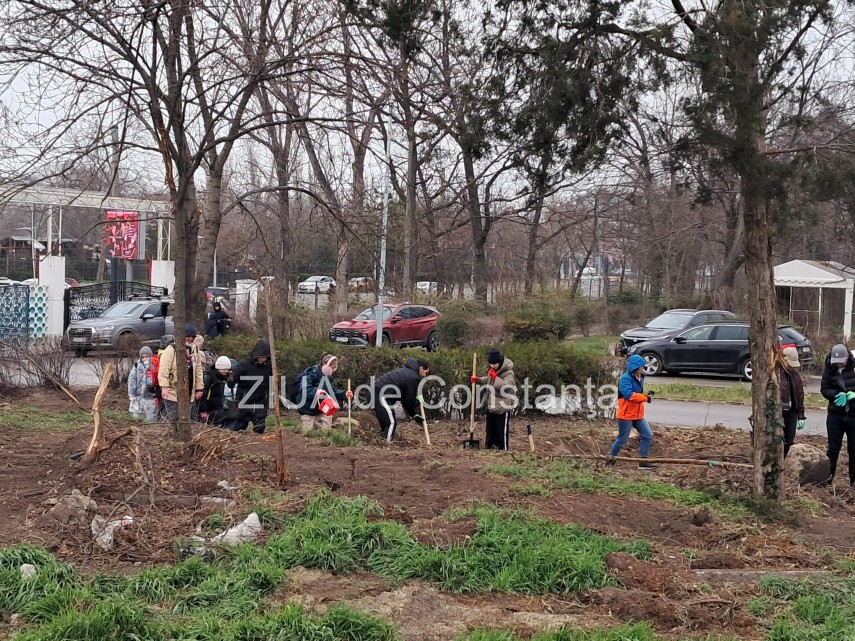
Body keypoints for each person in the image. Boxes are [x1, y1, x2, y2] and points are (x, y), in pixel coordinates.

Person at [607, 354, 656, 469]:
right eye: (642, 367)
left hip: (638, 414)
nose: (643, 369)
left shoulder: (641, 377)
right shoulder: (625, 379)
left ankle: (642, 462)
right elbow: (629, 395)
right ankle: (610, 458)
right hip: (626, 415)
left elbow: (637, 394)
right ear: (635, 368)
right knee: (622, 440)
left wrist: (646, 396)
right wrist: (646, 398)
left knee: (647, 435)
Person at [819, 343, 855, 488]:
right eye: (837, 362)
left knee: (853, 449)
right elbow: (824, 388)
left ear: (847, 357)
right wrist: (836, 395)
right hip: (835, 415)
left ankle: (853, 481)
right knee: (833, 449)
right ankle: (828, 479)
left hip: (853, 415)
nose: (839, 365)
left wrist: (853, 395)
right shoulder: (829, 368)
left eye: (841, 362)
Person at [373, 358, 430, 442]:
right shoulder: (413, 378)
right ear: (421, 368)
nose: (425, 375)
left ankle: (383, 442)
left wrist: (414, 414)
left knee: (386, 423)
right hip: (380, 395)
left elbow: (405, 400)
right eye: (426, 372)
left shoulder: (408, 373)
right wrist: (418, 401)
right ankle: (385, 446)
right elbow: (410, 400)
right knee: (391, 423)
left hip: (377, 393)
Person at [470, 347, 517, 450]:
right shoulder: (492, 370)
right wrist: (478, 380)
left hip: (503, 406)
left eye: (494, 364)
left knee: (501, 430)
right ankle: (490, 447)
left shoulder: (509, 372)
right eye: (490, 364)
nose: (492, 366)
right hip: (491, 405)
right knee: (490, 429)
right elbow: (488, 379)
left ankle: (503, 450)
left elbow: (507, 386)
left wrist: (496, 378)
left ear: (499, 362)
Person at [157, 324, 205, 423]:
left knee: (188, 419)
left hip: (189, 392)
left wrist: (199, 388)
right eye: (188, 337)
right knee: (173, 418)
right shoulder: (171, 350)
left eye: (192, 337)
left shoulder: (195, 349)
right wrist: (164, 387)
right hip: (173, 391)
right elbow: (163, 370)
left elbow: (198, 370)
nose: (190, 339)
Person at [293, 353, 348, 431]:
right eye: (331, 367)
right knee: (308, 431)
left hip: (321, 406)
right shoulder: (310, 374)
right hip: (307, 407)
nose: (333, 370)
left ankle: (325, 436)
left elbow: (332, 390)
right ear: (325, 365)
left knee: (328, 417)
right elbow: (305, 390)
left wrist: (344, 394)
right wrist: (315, 391)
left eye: (334, 368)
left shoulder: (328, 376)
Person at [230, 339, 273, 434]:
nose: (263, 359)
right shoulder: (243, 365)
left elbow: (272, 382)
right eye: (261, 357)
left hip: (261, 402)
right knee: (238, 427)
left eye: (265, 357)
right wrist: (231, 380)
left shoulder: (269, 368)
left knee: (260, 428)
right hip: (245, 401)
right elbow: (233, 380)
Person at [778, 345, 806, 458]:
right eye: (790, 364)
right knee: (778, 440)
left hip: (792, 412)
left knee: (789, 441)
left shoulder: (795, 375)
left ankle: (785, 460)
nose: (792, 367)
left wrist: (801, 414)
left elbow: (799, 395)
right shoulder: (776, 373)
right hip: (779, 412)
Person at [200, 355, 235, 427]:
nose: (225, 371)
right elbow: (203, 394)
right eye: (223, 369)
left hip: (225, 406)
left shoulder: (230, 377)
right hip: (211, 408)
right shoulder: (209, 377)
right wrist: (203, 410)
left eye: (227, 369)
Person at [128, 346, 157, 422]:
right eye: (143, 357)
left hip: (150, 394)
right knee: (137, 412)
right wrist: (132, 394)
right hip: (138, 394)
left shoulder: (154, 364)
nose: (145, 359)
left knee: (150, 413)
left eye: (147, 356)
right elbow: (132, 380)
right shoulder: (137, 365)